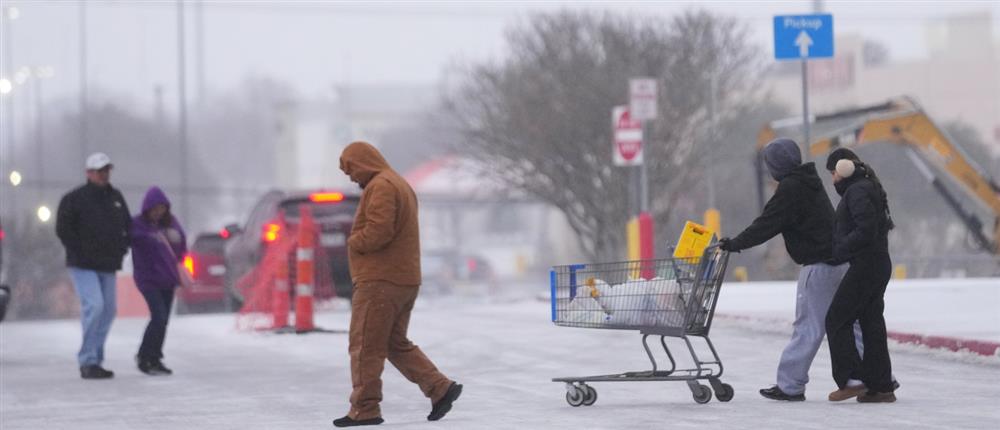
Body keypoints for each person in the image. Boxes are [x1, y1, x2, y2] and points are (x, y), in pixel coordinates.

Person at [333, 141, 461, 427]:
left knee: (365, 345)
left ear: (364, 162)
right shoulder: (397, 183)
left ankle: (365, 409)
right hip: (402, 279)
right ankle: (439, 388)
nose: (352, 178)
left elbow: (379, 231)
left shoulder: (381, 186)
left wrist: (354, 241)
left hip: (380, 280)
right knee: (393, 343)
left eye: (352, 170)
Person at [719, 138, 850, 401]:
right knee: (851, 322)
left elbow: (766, 224)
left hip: (819, 266)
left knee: (808, 327)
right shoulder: (809, 181)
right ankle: (867, 377)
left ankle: (790, 385)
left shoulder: (791, 188)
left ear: (776, 166)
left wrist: (734, 244)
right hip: (841, 263)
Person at [824, 149, 897, 403]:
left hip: (866, 265)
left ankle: (852, 379)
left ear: (844, 169)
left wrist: (840, 249)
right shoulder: (866, 187)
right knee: (871, 322)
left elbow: (866, 229)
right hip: (876, 263)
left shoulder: (857, 191)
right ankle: (881, 386)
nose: (833, 179)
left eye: (833, 173)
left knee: (836, 318)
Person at [56, 152, 131, 379]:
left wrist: (122, 246)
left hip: (108, 264)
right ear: (89, 173)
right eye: (100, 171)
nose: (104, 174)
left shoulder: (115, 197)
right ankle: (87, 359)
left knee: (108, 311)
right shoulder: (74, 199)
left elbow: (127, 225)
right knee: (95, 306)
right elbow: (63, 229)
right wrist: (79, 250)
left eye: (107, 170)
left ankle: (95, 358)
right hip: (83, 264)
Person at [129, 186, 187, 375]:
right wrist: (149, 237)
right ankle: (144, 356)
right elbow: (132, 239)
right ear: (147, 208)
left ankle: (155, 357)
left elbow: (181, 247)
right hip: (148, 279)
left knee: (162, 320)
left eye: (161, 209)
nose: (158, 212)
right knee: (159, 317)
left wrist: (176, 240)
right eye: (155, 209)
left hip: (168, 278)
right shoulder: (137, 224)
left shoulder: (171, 224)